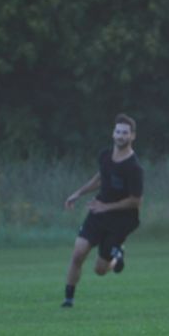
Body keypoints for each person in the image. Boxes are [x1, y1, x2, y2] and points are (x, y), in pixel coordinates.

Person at [60, 114, 143, 307]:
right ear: (113, 133)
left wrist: (107, 207)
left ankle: (116, 257)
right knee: (78, 254)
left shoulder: (134, 168)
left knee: (100, 270)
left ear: (132, 136)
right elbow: (99, 179)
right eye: (118, 131)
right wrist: (78, 193)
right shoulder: (105, 156)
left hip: (120, 221)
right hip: (98, 214)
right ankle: (68, 300)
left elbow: (136, 201)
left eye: (125, 133)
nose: (120, 136)